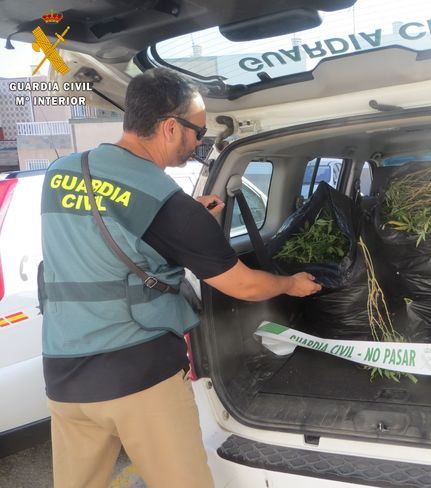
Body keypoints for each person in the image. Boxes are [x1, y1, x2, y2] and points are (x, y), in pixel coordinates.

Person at [40, 67, 321, 488]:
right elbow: (241, 285)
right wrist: (291, 284)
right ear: (170, 127)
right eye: (197, 133)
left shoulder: (59, 171)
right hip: (138, 376)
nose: (198, 144)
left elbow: (106, 235)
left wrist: (186, 219)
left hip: (64, 375)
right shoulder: (168, 204)